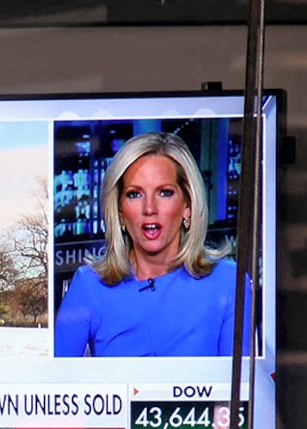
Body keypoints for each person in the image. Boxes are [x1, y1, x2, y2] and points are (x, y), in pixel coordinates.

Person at [53, 131, 243, 358]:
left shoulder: (229, 282)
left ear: (187, 205)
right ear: (120, 211)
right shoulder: (89, 285)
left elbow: (244, 390)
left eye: (164, 192)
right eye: (135, 194)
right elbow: (56, 386)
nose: (149, 209)